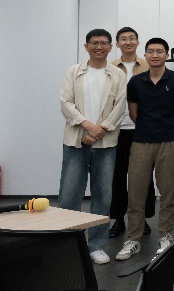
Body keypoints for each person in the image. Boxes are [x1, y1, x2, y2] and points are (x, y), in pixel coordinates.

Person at [116, 38, 174, 261]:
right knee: (136, 193)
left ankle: (165, 236)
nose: (155, 55)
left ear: (166, 54)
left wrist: (166, 128)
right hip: (141, 142)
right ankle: (133, 239)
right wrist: (148, 128)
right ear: (146, 55)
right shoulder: (136, 82)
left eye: (159, 51)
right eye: (151, 51)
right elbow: (133, 113)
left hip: (168, 142)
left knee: (168, 193)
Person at [59, 29, 126, 265]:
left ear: (110, 47)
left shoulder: (118, 74)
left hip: (106, 143)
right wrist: (88, 126)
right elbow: (65, 103)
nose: (99, 47)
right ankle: (67, 244)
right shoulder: (74, 71)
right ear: (86, 46)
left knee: (102, 196)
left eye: (104, 43)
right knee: (69, 195)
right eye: (94, 43)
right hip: (76, 141)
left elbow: (120, 107)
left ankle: (96, 245)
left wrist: (100, 130)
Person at [109, 27, 156, 238]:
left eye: (131, 39)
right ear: (117, 44)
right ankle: (118, 219)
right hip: (116, 130)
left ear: (137, 42)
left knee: (142, 176)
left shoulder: (148, 65)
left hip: (141, 129)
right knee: (117, 176)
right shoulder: (110, 67)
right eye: (123, 39)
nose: (128, 42)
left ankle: (141, 219)